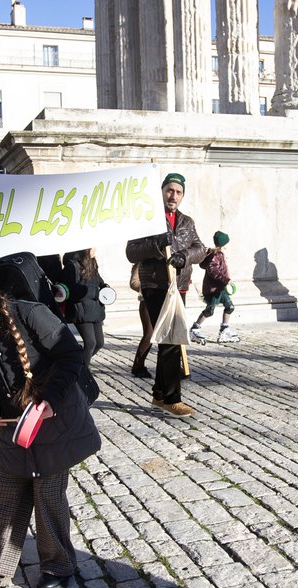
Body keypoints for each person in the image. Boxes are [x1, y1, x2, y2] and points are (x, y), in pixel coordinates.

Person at [0, 242, 100, 588]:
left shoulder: (29, 313)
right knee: (8, 491)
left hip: (54, 418)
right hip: (16, 421)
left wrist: (48, 401)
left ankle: (59, 566)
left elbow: (70, 355)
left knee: (48, 495)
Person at [125, 173, 207, 418]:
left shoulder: (186, 222)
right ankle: (172, 399)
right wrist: (156, 244)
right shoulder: (147, 219)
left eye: (178, 192)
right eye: (170, 190)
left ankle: (160, 394)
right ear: (161, 192)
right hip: (156, 285)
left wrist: (184, 256)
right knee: (172, 340)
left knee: (171, 340)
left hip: (178, 286)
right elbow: (131, 252)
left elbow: (200, 249)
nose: (173, 196)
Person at [60, 248, 109, 369]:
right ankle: (82, 372)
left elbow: (99, 282)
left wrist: (105, 288)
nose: (95, 250)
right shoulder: (72, 265)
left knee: (99, 343)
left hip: (95, 310)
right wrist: (94, 292)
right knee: (90, 343)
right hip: (81, 310)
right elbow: (72, 290)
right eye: (93, 247)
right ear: (86, 249)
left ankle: (76, 365)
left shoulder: (92, 263)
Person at [190, 231, 238, 343]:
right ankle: (195, 329)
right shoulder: (215, 255)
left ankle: (224, 329)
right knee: (210, 310)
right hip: (214, 290)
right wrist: (226, 280)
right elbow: (213, 270)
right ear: (223, 245)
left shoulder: (219, 254)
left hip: (220, 289)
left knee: (230, 307)